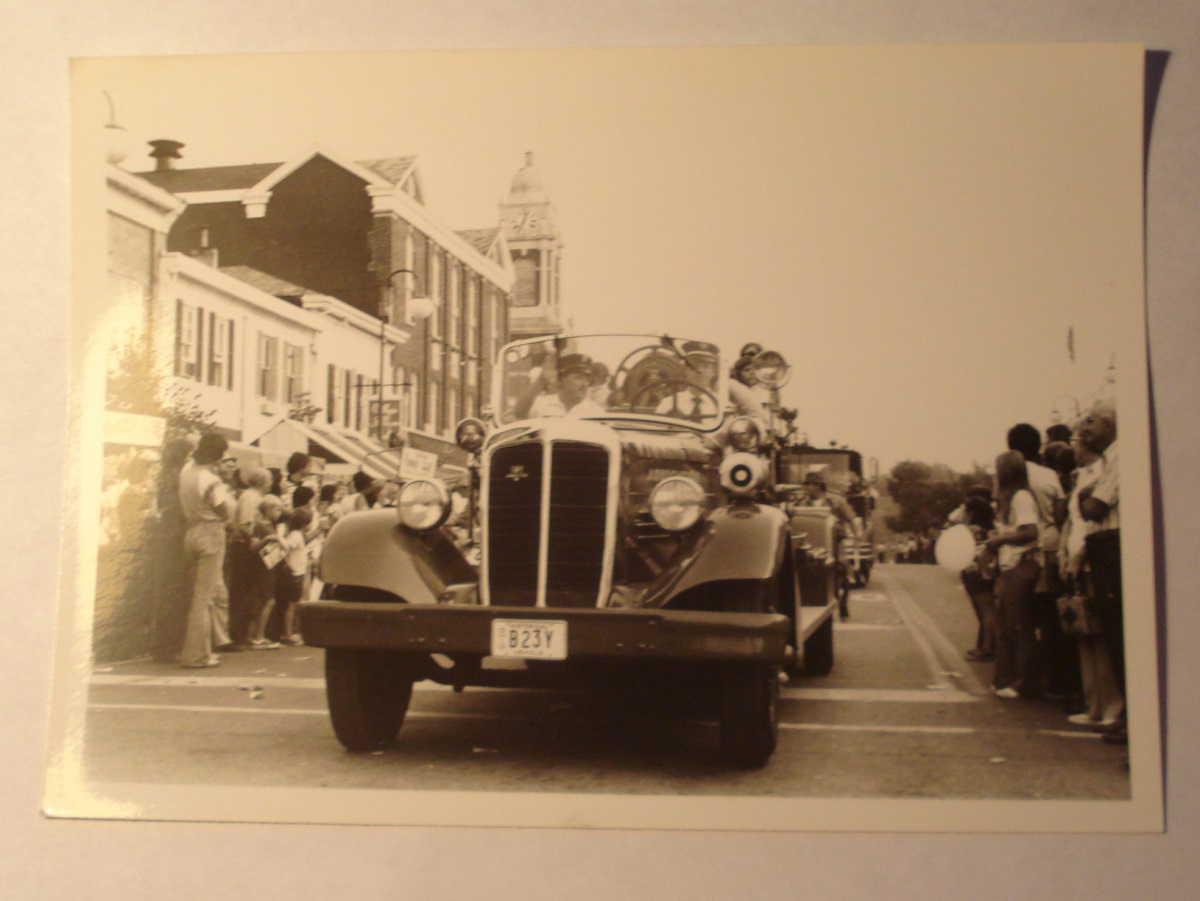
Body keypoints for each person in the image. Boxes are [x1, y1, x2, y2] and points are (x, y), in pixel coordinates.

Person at [1060, 442, 1123, 729]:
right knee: (1083, 633)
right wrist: (1064, 553)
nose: (1076, 443)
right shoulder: (1082, 475)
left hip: (1088, 559)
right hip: (1076, 560)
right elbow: (1072, 521)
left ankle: (1112, 706)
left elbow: (1090, 520)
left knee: (1099, 634)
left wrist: (1079, 555)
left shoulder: (1104, 469)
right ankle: (1093, 703)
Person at [1076, 401, 1125, 745]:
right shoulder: (1106, 462)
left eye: (1091, 421)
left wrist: (1085, 495)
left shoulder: (1122, 457)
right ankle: (1126, 716)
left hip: (1112, 544)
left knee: (1121, 635)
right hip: (1103, 547)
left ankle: (1131, 718)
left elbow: (1093, 508)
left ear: (1110, 425)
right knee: (1113, 636)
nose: (1083, 426)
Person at [177, 433, 237, 669]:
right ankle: (197, 654)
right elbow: (224, 512)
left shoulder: (186, 471)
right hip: (210, 533)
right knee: (204, 597)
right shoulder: (211, 480)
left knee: (199, 594)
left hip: (190, 531)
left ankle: (198, 649)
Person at [985, 450, 1042, 699]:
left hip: (1021, 565)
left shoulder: (1021, 498)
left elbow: (1030, 532)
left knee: (1017, 626)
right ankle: (1007, 679)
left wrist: (1000, 539)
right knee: (1006, 625)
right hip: (1011, 567)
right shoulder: (1012, 499)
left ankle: (1023, 682)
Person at [226, 465, 272, 650]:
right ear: (261, 481)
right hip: (244, 549)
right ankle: (238, 635)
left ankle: (242, 634)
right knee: (244, 592)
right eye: (269, 480)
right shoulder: (251, 498)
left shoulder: (253, 497)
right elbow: (246, 526)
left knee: (248, 592)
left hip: (247, 548)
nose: (271, 483)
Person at [513, 353, 608, 419]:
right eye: (578, 378)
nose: (584, 384)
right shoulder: (542, 404)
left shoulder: (596, 412)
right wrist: (541, 380)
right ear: (562, 380)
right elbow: (519, 413)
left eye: (586, 379)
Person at [654, 341, 721, 422]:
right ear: (686, 370)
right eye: (694, 366)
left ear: (713, 371)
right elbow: (658, 432)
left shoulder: (721, 405)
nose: (699, 371)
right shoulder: (669, 404)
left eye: (706, 366)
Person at [275, 507, 313, 646]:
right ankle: (288, 633)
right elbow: (287, 546)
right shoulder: (296, 535)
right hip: (295, 573)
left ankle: (291, 632)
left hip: (297, 572)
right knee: (291, 605)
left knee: (293, 604)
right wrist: (279, 536)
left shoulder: (296, 534)